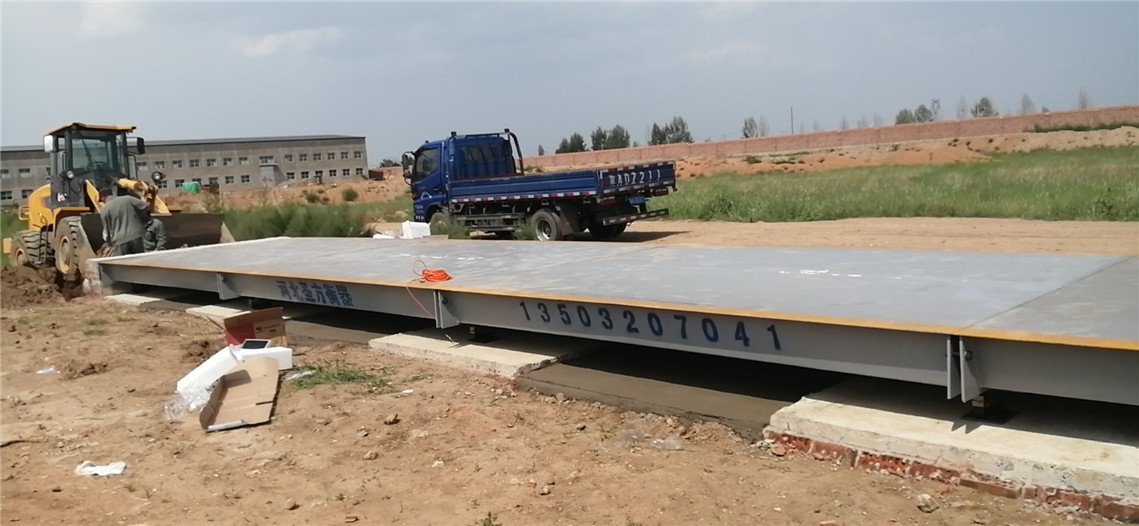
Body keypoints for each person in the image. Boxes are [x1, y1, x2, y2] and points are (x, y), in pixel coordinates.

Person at [98, 191, 149, 256]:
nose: (102, 202)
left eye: (101, 200)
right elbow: (146, 206)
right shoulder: (128, 199)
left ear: (102, 197)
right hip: (137, 236)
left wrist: (108, 242)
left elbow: (106, 230)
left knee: (122, 261)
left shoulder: (104, 209)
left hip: (120, 240)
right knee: (139, 259)